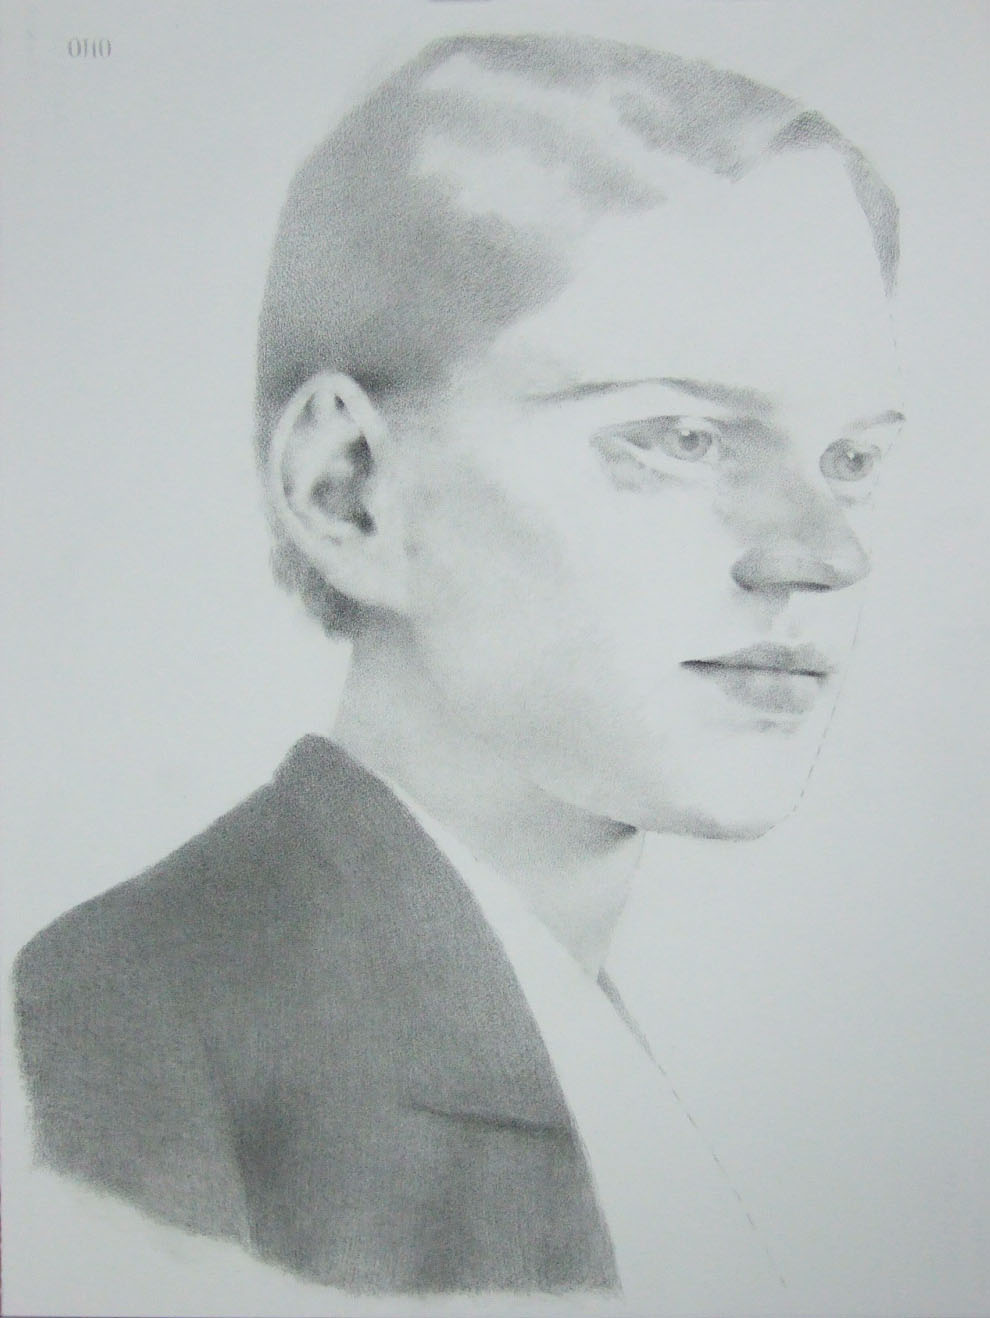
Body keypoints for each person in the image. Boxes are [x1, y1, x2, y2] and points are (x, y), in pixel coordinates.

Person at [14, 30, 903, 1302]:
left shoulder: (611, 1030)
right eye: (684, 437)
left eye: (853, 462)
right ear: (352, 491)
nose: (822, 553)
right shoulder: (126, 1034)